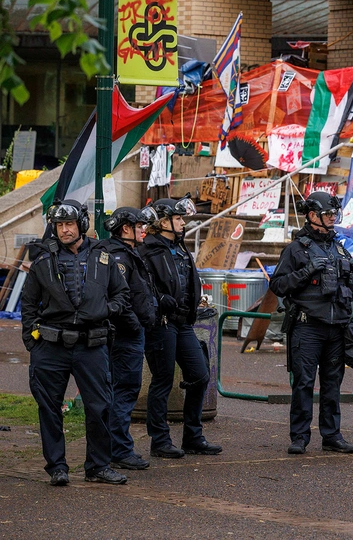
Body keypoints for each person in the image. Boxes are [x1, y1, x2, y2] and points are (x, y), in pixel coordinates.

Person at [21, 200, 130, 485]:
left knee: (100, 406)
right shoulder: (43, 259)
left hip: (91, 345)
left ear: (81, 224)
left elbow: (122, 293)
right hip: (51, 345)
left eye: (69, 224)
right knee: (49, 406)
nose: (65, 230)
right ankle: (57, 467)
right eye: (59, 225)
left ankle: (98, 467)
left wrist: (108, 310)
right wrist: (31, 342)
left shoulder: (102, 255)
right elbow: (29, 303)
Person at [269, 191, 353, 455]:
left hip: (336, 327)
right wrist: (306, 271)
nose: (333, 218)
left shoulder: (339, 246)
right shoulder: (295, 249)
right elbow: (277, 284)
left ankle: (332, 435)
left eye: (335, 214)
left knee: (333, 384)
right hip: (307, 326)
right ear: (312, 216)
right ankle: (299, 437)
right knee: (304, 383)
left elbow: (351, 285)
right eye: (328, 214)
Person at [139, 197, 222, 458]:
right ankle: (160, 441)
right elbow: (141, 287)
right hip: (161, 323)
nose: (183, 223)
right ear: (163, 222)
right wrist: (159, 301)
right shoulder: (148, 250)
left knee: (200, 375)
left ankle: (192, 437)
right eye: (178, 219)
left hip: (183, 322)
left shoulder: (179, 246)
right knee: (162, 381)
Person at [100, 207, 158, 470]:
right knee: (124, 391)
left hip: (128, 333)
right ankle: (120, 451)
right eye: (139, 226)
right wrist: (134, 324)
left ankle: (114, 448)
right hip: (125, 336)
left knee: (120, 390)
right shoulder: (119, 256)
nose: (144, 230)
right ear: (126, 229)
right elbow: (120, 299)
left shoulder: (123, 252)